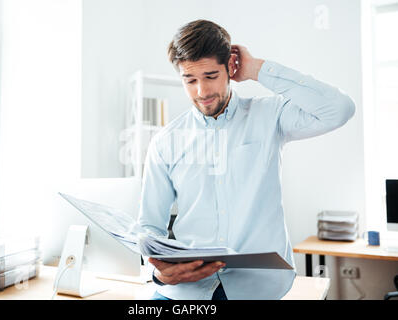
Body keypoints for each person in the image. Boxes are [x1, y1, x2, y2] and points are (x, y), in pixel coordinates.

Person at [137, 19, 355, 300]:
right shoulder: (165, 141)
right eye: (190, 80)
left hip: (256, 288)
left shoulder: (270, 116)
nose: (201, 92)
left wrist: (257, 69)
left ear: (229, 67)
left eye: (211, 76)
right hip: (184, 290)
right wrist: (158, 273)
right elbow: (149, 226)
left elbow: (339, 109)